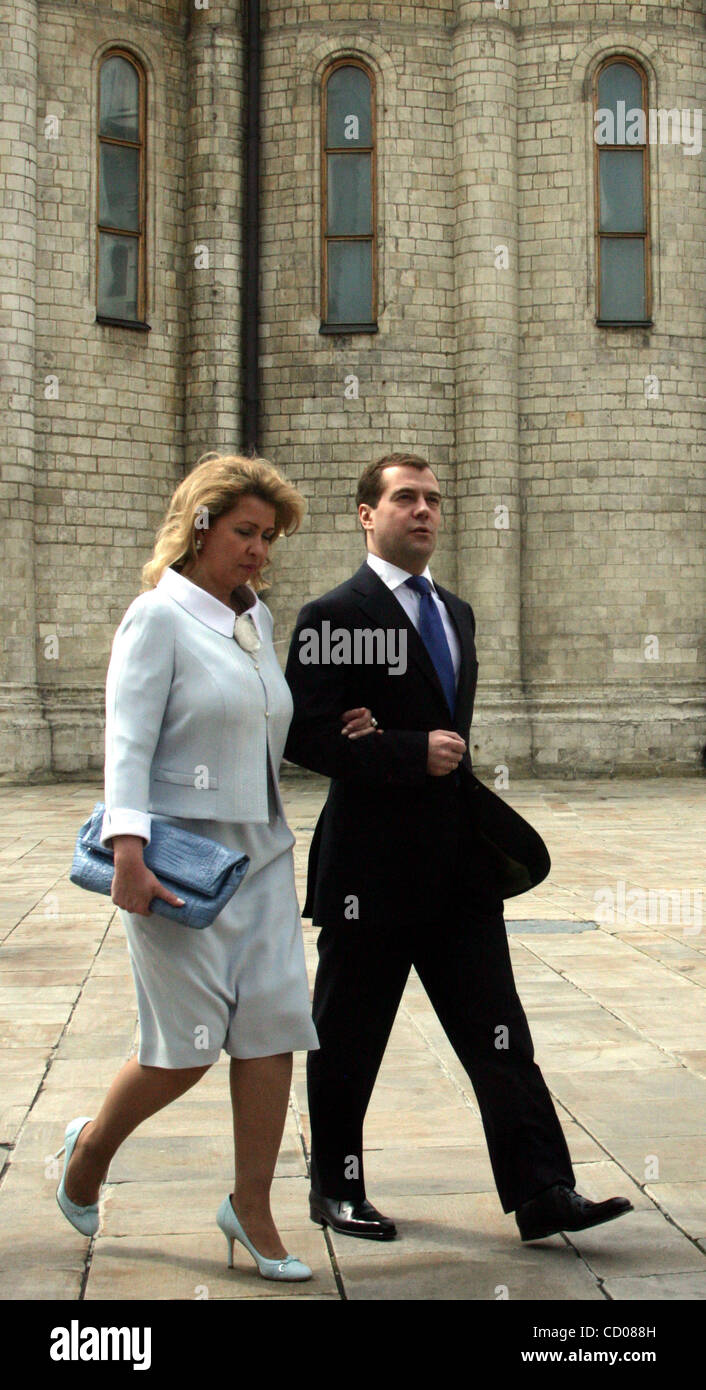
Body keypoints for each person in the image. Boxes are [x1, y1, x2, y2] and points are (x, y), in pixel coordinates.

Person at [284, 452, 634, 1244]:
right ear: (366, 514)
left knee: (500, 1034)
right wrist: (403, 752)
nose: (424, 511)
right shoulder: (333, 615)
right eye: (404, 498)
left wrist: (400, 741)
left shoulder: (459, 613)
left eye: (433, 499)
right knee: (348, 1039)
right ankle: (335, 1191)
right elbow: (304, 732)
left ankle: (544, 1189)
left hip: (457, 867)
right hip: (368, 873)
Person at [55, 452, 376, 1282]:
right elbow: (126, 739)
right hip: (176, 865)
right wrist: (127, 850)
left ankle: (254, 1207)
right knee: (186, 1049)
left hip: (261, 859)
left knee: (271, 1031)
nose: (260, 550)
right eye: (245, 532)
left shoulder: (256, 619)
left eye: (269, 537)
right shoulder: (156, 618)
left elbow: (267, 724)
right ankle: (89, 1153)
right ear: (200, 527)